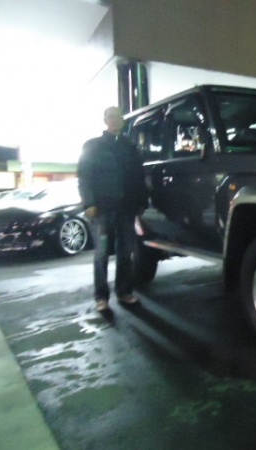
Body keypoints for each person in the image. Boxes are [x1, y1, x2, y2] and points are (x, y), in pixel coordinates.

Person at [77, 106, 148, 312]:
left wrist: (142, 202)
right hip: (101, 209)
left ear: (122, 121)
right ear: (105, 120)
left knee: (126, 252)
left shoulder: (130, 147)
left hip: (126, 208)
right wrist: (89, 203)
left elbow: (138, 177)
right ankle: (101, 297)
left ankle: (124, 292)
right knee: (101, 254)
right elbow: (84, 177)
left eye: (117, 117)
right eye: (110, 117)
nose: (114, 120)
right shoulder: (93, 146)